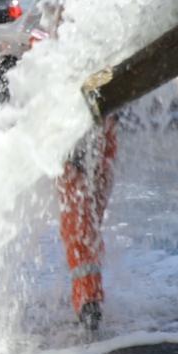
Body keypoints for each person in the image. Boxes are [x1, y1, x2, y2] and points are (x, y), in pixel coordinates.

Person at [57, 118, 118, 331]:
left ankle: (88, 300)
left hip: (83, 151)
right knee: (84, 230)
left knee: (80, 231)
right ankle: (89, 300)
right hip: (96, 147)